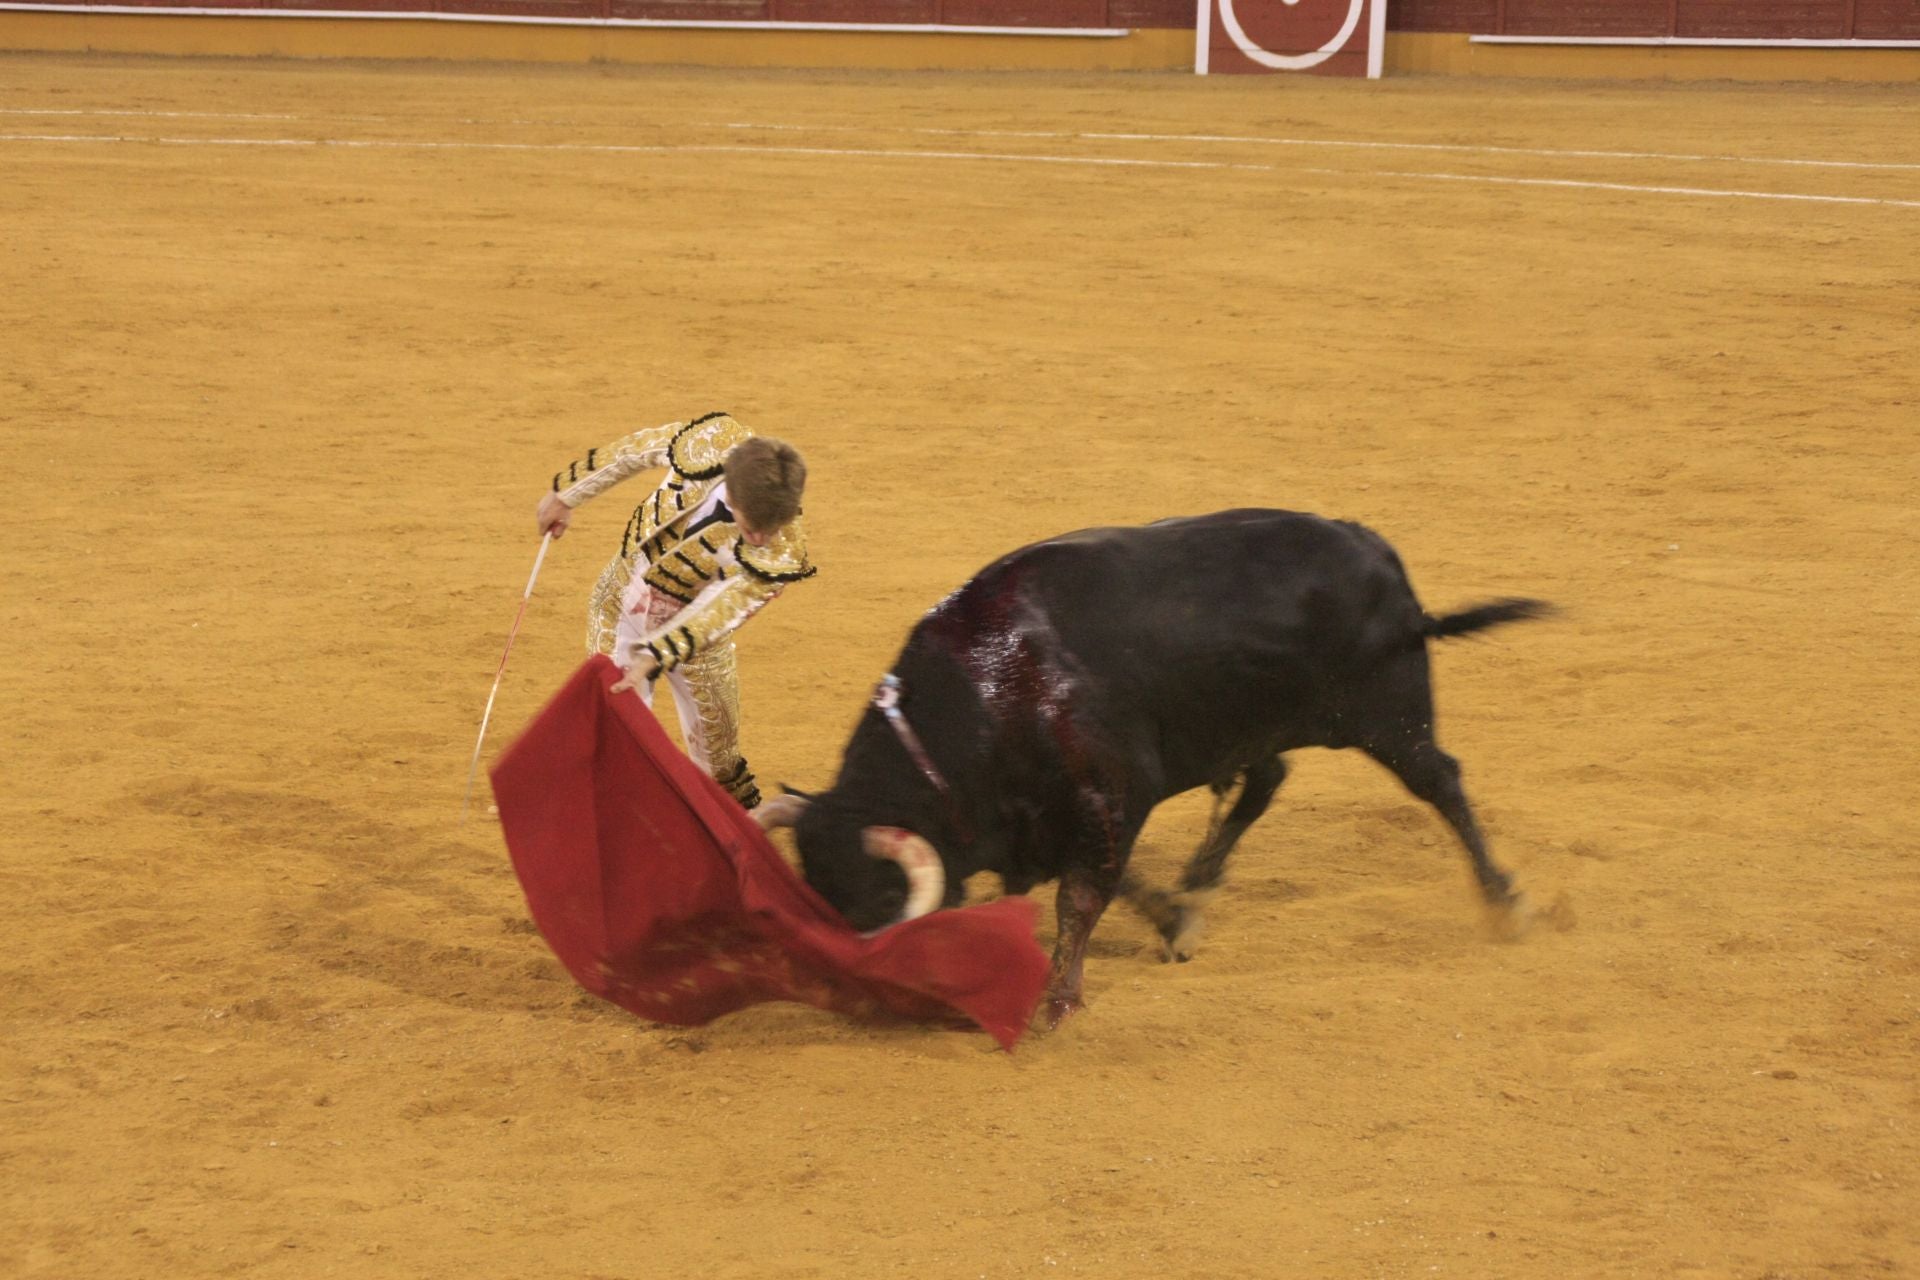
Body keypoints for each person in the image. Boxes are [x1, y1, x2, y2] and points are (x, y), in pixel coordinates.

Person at [535, 410, 814, 811]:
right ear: (733, 497)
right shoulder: (711, 443)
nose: (760, 539)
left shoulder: (783, 551)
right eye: (753, 528)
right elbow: (634, 451)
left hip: (698, 643)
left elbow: (717, 611)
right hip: (621, 607)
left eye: (770, 530)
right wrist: (565, 493)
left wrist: (654, 656)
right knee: (618, 742)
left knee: (720, 768)